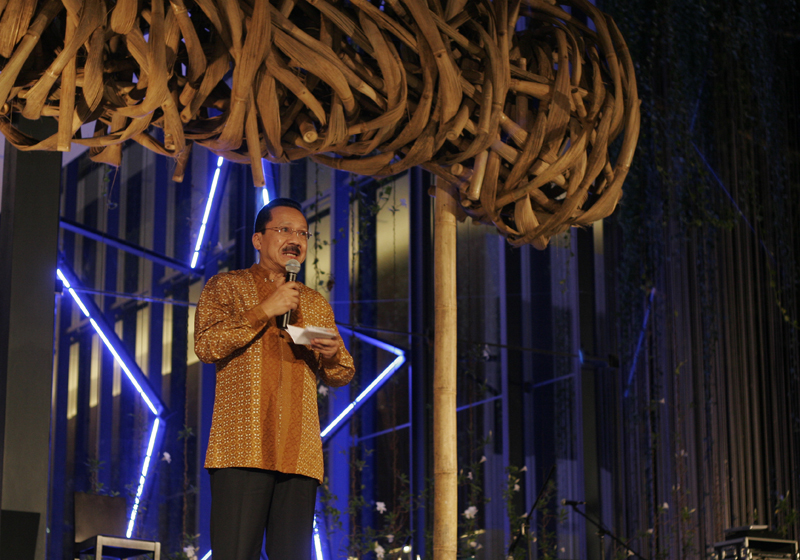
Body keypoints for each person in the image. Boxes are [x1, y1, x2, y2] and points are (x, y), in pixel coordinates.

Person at [194, 198, 355, 560]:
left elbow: (343, 371)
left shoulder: (314, 303)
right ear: (258, 239)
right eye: (284, 230)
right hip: (242, 446)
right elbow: (206, 345)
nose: (295, 239)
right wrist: (265, 309)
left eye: (302, 233)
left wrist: (332, 354)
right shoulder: (225, 286)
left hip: (300, 455)